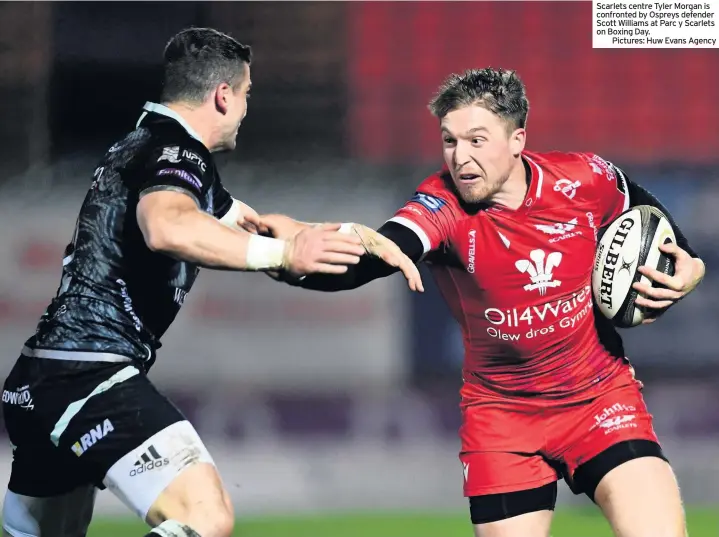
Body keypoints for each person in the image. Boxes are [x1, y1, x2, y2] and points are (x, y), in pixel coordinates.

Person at [0, 27, 418, 537]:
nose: (245, 109)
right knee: (205, 517)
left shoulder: (149, 147)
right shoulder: (177, 153)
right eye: (245, 96)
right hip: (88, 378)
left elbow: (262, 229)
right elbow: (168, 226)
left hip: (39, 382)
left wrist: (361, 239)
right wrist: (285, 251)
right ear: (223, 95)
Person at [258, 68, 706, 537]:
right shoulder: (442, 205)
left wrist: (690, 261)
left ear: (518, 140)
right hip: (503, 420)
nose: (461, 158)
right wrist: (285, 256)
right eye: (450, 141)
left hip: (601, 400)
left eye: (477, 140)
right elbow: (375, 256)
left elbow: (642, 207)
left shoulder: (583, 177)